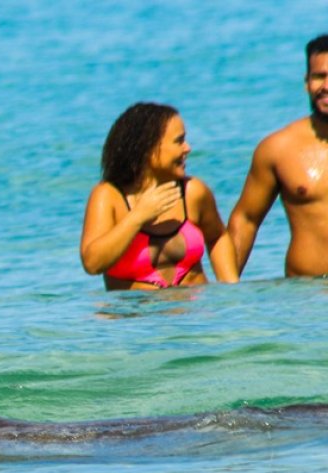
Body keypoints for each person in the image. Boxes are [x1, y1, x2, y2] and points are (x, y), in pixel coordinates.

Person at [80, 102, 238, 290]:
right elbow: (92, 263)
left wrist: (231, 290)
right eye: (179, 141)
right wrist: (138, 216)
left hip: (197, 315)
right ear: (148, 149)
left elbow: (218, 237)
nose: (188, 148)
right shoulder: (108, 196)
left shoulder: (192, 191)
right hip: (137, 317)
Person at [228, 34, 328, 277]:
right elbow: (246, 219)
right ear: (307, 82)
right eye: (319, 76)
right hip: (304, 300)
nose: (326, 86)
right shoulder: (279, 148)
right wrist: (225, 294)